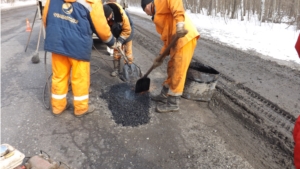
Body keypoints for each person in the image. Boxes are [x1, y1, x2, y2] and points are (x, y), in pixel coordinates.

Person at [42, 0, 117, 117]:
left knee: (59, 76)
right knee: (80, 78)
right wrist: (111, 41)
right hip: (78, 45)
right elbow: (100, 26)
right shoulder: (92, 1)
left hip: (57, 43)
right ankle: (80, 109)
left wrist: (55, 33)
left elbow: (45, 18)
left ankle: (58, 107)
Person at [140, 0, 200, 113]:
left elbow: (176, 4)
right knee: (171, 68)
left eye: (145, 9)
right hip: (175, 41)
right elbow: (167, 39)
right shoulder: (159, 17)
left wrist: (180, 24)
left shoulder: (160, 2)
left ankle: (173, 103)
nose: (146, 13)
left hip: (184, 37)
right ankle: (164, 94)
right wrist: (160, 56)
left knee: (178, 71)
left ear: (149, 4)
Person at [103, 2, 134, 77]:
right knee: (116, 51)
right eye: (105, 18)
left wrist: (120, 41)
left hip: (127, 32)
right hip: (117, 33)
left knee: (128, 53)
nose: (107, 19)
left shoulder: (121, 14)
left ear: (111, 12)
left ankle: (129, 69)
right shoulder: (105, 15)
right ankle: (116, 69)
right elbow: (106, 29)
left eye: (108, 17)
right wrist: (111, 41)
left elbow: (127, 30)